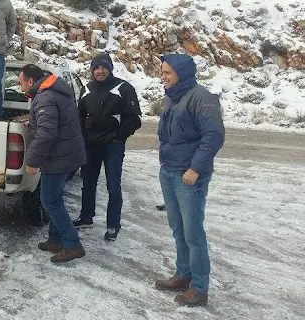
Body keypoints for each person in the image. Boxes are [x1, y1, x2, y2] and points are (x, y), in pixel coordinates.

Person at [154, 53, 225, 307]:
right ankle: (183, 274)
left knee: (193, 232)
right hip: (169, 170)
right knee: (178, 229)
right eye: (162, 72)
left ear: (181, 73)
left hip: (188, 176)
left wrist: (195, 169)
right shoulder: (171, 98)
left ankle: (199, 287)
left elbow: (213, 136)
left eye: (167, 73)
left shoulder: (202, 97)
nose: (162, 77)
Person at [18, 64, 86, 263]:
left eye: (21, 83)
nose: (21, 88)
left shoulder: (45, 98)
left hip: (59, 157)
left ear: (31, 81)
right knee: (55, 198)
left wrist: (32, 161)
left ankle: (73, 245)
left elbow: (46, 134)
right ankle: (55, 240)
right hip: (68, 155)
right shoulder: (54, 91)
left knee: (49, 201)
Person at [73, 53, 142, 242]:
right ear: (92, 70)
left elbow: (134, 118)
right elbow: (79, 116)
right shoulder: (86, 89)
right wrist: (84, 135)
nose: (100, 71)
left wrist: (119, 138)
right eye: (96, 67)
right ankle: (86, 217)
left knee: (113, 186)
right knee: (88, 183)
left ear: (109, 69)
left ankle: (113, 225)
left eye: (103, 67)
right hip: (91, 145)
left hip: (113, 146)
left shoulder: (123, 88)